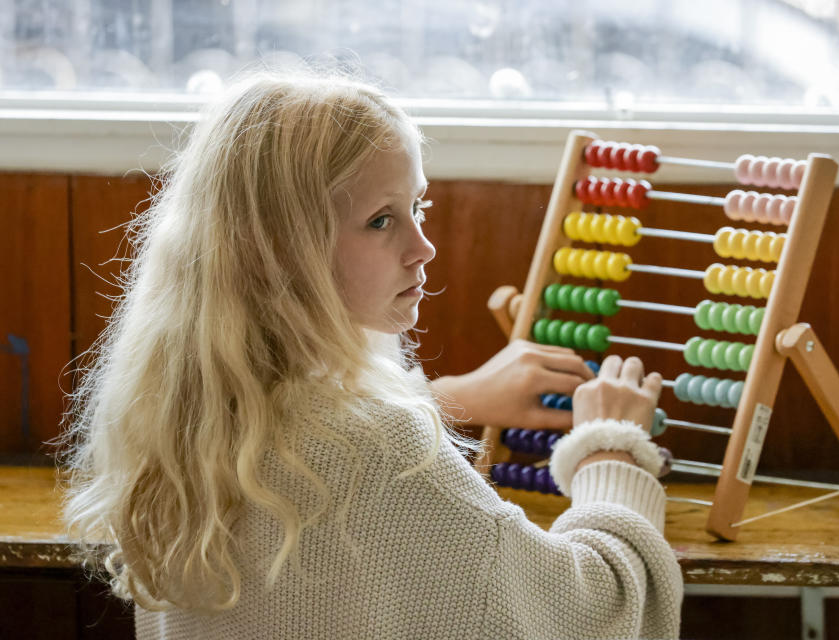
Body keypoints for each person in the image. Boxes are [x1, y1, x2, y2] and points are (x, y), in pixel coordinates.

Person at [61, 66, 682, 640]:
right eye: (382, 220)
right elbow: (590, 611)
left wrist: (445, 397)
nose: (423, 247)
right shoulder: (383, 453)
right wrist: (610, 452)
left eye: (418, 206)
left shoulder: (188, 418)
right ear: (283, 251)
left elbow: (311, 443)